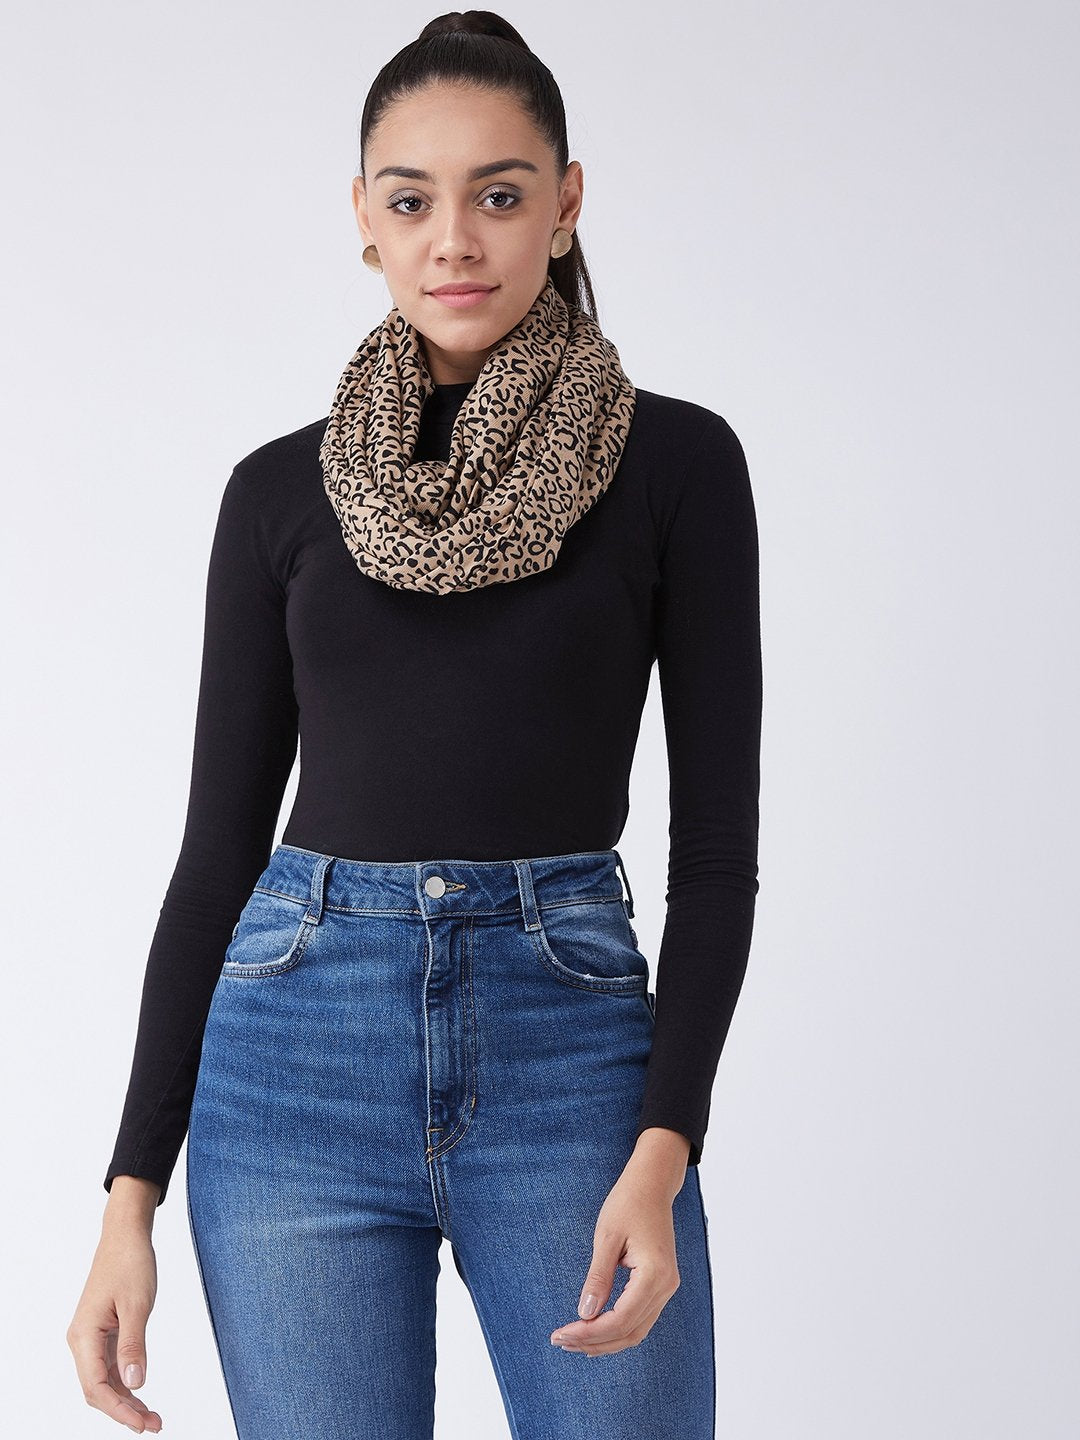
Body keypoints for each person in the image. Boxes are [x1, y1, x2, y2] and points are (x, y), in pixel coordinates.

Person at [67, 11, 762, 1438]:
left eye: (500, 194)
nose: (455, 239)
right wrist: (128, 1198)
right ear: (364, 220)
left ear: (566, 204)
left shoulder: (677, 464)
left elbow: (717, 853)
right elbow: (217, 855)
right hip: (292, 1060)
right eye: (411, 200)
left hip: (570, 1056)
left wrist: (664, 1150)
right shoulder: (280, 493)